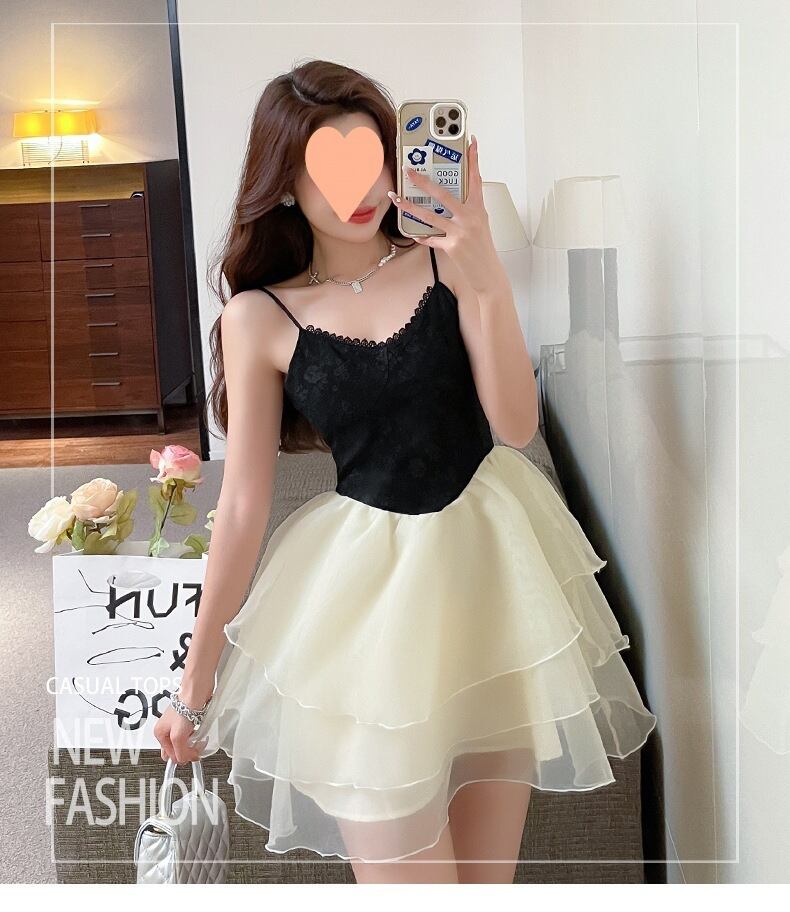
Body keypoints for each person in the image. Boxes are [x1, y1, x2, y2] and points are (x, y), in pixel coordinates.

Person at [154, 59, 657, 885]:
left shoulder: (444, 262)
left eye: (370, 158)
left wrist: (483, 270)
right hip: (369, 614)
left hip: (492, 588)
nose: (357, 188)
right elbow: (242, 506)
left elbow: (515, 425)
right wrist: (194, 684)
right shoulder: (258, 317)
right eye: (326, 167)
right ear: (285, 187)